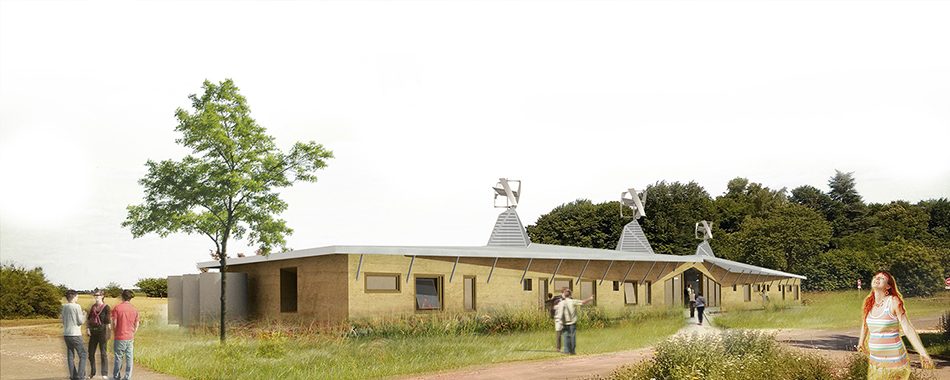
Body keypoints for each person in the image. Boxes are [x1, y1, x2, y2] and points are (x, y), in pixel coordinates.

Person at [857, 271, 934, 380]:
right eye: (876, 277)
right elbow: (865, 324)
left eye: (882, 278)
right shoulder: (869, 303)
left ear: (888, 286)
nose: (877, 279)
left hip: (894, 361)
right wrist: (861, 342)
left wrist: (922, 353)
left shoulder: (893, 302)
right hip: (876, 361)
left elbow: (907, 328)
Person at [553, 288, 594, 355]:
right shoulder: (572, 301)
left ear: (564, 295)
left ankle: (566, 351)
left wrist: (559, 322)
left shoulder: (561, 303)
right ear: (570, 294)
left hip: (564, 323)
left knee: (566, 337)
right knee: (572, 337)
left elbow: (559, 313)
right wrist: (590, 298)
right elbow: (582, 302)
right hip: (572, 323)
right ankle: (572, 351)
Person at [112, 289, 140, 380]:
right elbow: (137, 324)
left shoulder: (117, 308)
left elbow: (114, 323)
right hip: (130, 336)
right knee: (129, 358)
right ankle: (127, 377)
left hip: (119, 336)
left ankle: (116, 376)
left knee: (118, 357)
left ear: (122, 297)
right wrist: (133, 333)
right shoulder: (135, 309)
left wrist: (115, 332)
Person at [61, 289, 87, 380]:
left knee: (70, 355)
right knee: (83, 354)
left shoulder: (64, 307)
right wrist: (84, 315)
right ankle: (80, 376)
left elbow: (63, 320)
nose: (78, 298)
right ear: (74, 297)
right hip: (75, 334)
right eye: (77, 296)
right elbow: (80, 321)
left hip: (66, 334)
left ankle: (73, 376)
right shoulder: (77, 306)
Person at [87, 289, 111, 379]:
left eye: (98, 295)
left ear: (102, 296)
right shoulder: (93, 307)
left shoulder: (106, 307)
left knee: (103, 353)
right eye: (95, 295)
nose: (96, 297)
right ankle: (92, 372)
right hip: (93, 331)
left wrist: (108, 333)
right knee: (91, 353)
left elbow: (108, 322)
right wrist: (88, 329)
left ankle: (104, 373)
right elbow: (89, 319)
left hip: (102, 331)